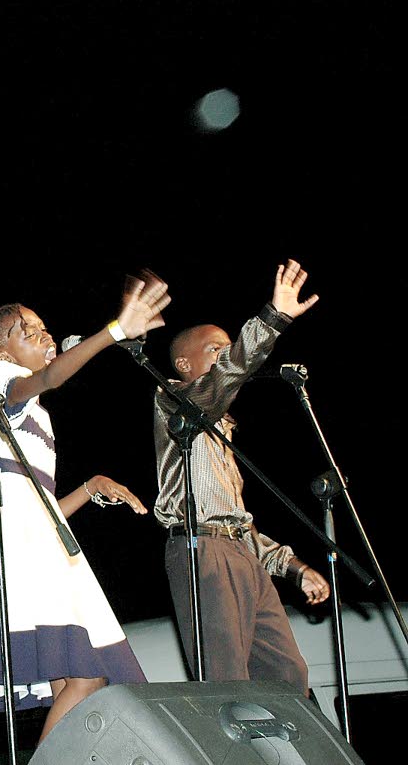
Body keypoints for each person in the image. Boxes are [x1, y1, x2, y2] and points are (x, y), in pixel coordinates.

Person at [0, 273, 170, 743]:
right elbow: (51, 375)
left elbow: (43, 507)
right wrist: (115, 329)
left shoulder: (36, 414)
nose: (43, 336)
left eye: (42, 328)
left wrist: (91, 486)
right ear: (3, 352)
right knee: (87, 677)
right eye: (27, 331)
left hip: (40, 538)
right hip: (21, 546)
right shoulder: (0, 378)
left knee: (80, 684)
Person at [153, 258, 329, 696]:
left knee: (289, 675)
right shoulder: (173, 399)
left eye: (229, 348)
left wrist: (294, 568)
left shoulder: (222, 430)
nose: (227, 356)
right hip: (202, 550)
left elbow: (239, 523)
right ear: (184, 364)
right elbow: (224, 376)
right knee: (226, 679)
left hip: (238, 552)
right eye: (216, 350)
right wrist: (272, 320)